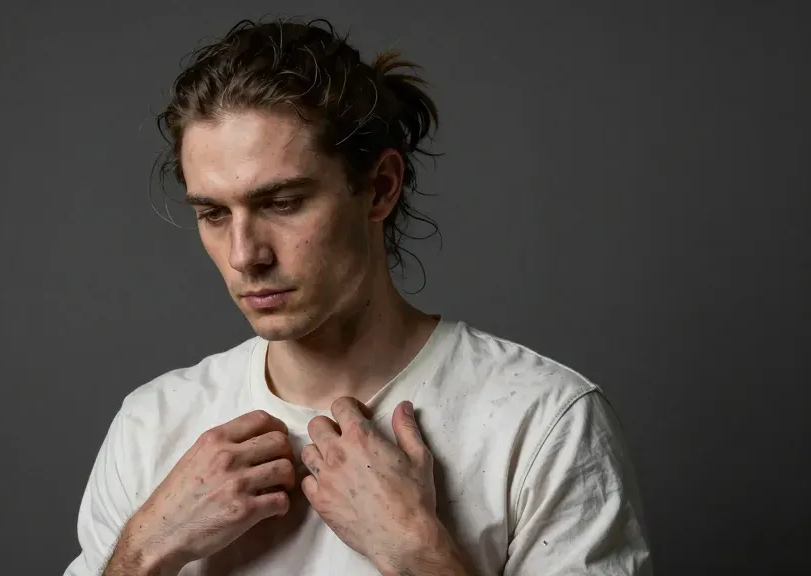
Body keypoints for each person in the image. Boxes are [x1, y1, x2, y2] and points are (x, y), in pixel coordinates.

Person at [63, 17, 652, 576]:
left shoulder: (543, 421)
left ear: (380, 188)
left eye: (282, 203)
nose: (245, 255)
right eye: (214, 214)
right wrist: (143, 553)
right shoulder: (151, 426)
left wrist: (418, 552)